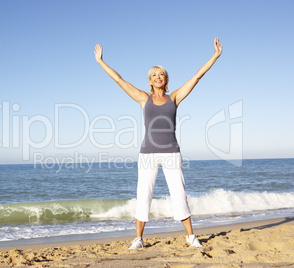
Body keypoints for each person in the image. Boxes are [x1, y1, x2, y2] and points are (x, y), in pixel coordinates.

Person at [94, 38, 223, 249]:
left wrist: (215, 56)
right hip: (147, 154)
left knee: (179, 194)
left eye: (161, 74)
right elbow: (119, 80)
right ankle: (138, 239)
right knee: (143, 195)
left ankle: (191, 237)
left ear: (166, 79)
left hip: (172, 153)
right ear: (149, 81)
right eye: (154, 75)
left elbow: (197, 76)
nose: (157, 77)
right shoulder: (144, 99)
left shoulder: (175, 98)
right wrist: (101, 62)